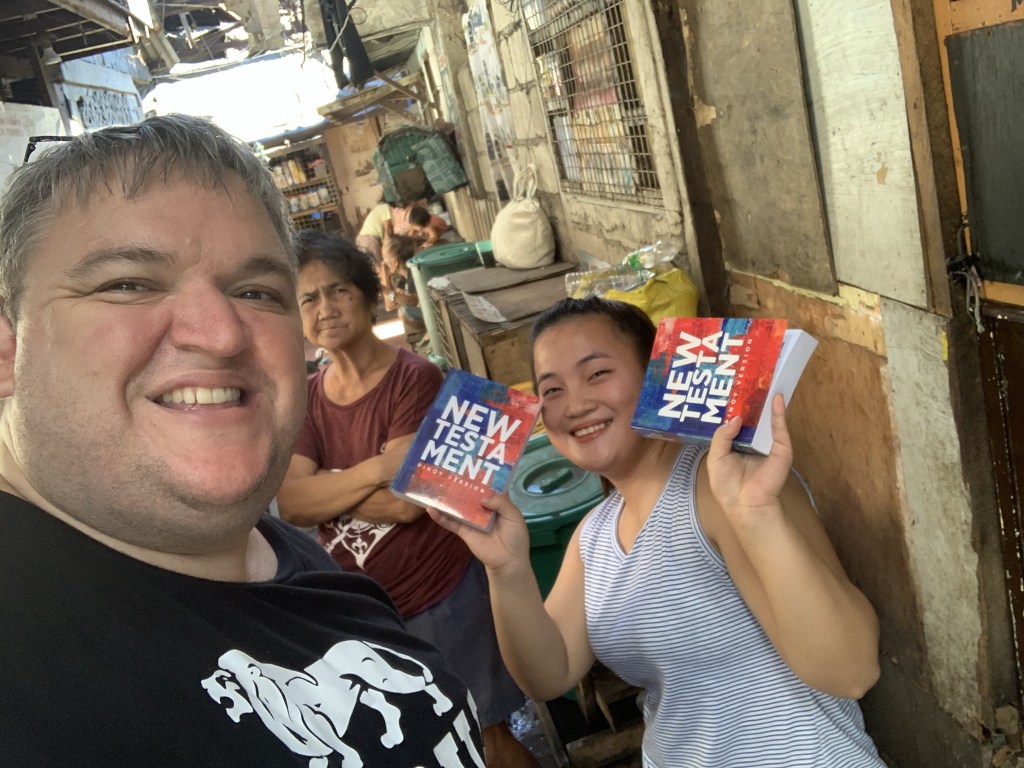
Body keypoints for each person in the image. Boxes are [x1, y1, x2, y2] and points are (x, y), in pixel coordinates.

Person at [0, 114, 485, 767]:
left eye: (256, 292)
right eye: (128, 284)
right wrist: (375, 473)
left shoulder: (275, 550)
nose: (223, 334)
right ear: (7, 345)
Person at [430, 296, 887, 767]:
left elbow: (851, 671)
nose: (576, 405)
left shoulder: (722, 484)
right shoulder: (594, 534)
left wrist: (757, 516)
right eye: (553, 390)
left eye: (597, 373)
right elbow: (550, 674)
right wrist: (506, 569)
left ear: (657, 376)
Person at [275, 231, 537, 768]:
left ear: (368, 295)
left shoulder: (413, 378)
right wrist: (376, 469)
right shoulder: (308, 398)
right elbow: (293, 504)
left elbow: (406, 504)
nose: (325, 309)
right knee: (431, 746)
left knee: (487, 740)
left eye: (338, 290)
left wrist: (329, 482)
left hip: (442, 594)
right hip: (369, 611)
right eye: (308, 299)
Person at [381, 233, 429, 347]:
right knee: (402, 310)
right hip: (424, 317)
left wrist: (386, 290)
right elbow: (390, 305)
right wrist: (386, 276)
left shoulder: (413, 273)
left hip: (432, 317)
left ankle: (429, 334)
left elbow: (412, 300)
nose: (384, 262)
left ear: (396, 262)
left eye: (385, 258)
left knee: (404, 311)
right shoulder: (403, 278)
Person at [354, 199, 396, 264]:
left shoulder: (379, 209)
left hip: (362, 239)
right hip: (369, 239)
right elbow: (388, 230)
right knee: (380, 265)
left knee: (372, 266)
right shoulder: (387, 207)